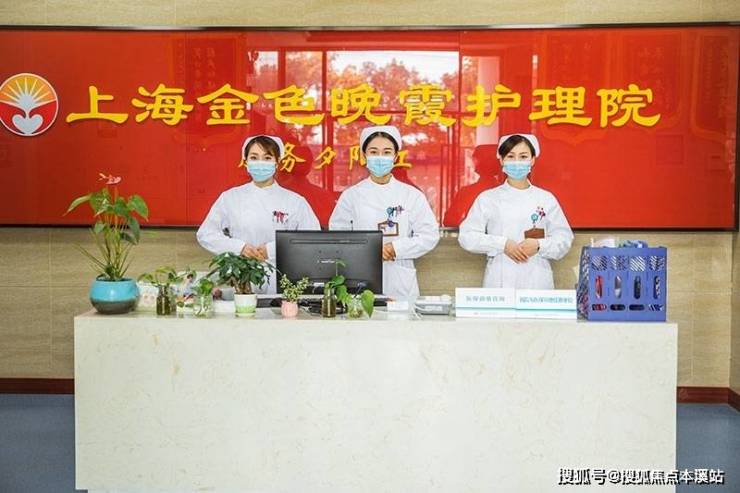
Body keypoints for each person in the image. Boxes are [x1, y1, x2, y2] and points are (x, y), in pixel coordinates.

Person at [197, 134, 320, 293]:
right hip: (242, 280)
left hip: (282, 280)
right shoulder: (231, 197)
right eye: (254, 158)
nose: (260, 163)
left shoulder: (295, 201)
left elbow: (311, 240)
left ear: (277, 162)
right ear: (246, 162)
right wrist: (239, 248)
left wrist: (273, 250)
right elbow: (206, 234)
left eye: (267, 158)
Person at [329, 125, 439, 300]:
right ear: (364, 155)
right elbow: (338, 236)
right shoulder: (351, 196)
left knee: (400, 316)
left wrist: (396, 248)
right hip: (361, 274)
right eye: (373, 152)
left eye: (387, 152)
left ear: (395, 156)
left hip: (400, 279)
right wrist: (368, 248)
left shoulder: (412, 195)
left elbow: (429, 235)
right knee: (362, 314)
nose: (380, 157)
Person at [458, 133, 573, 289]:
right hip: (500, 278)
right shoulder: (488, 198)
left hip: (537, 279)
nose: (517, 162)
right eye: (511, 156)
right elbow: (467, 236)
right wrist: (502, 244)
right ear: (501, 160)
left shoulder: (546, 199)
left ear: (532, 160)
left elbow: (564, 238)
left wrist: (539, 245)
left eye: (523, 156)